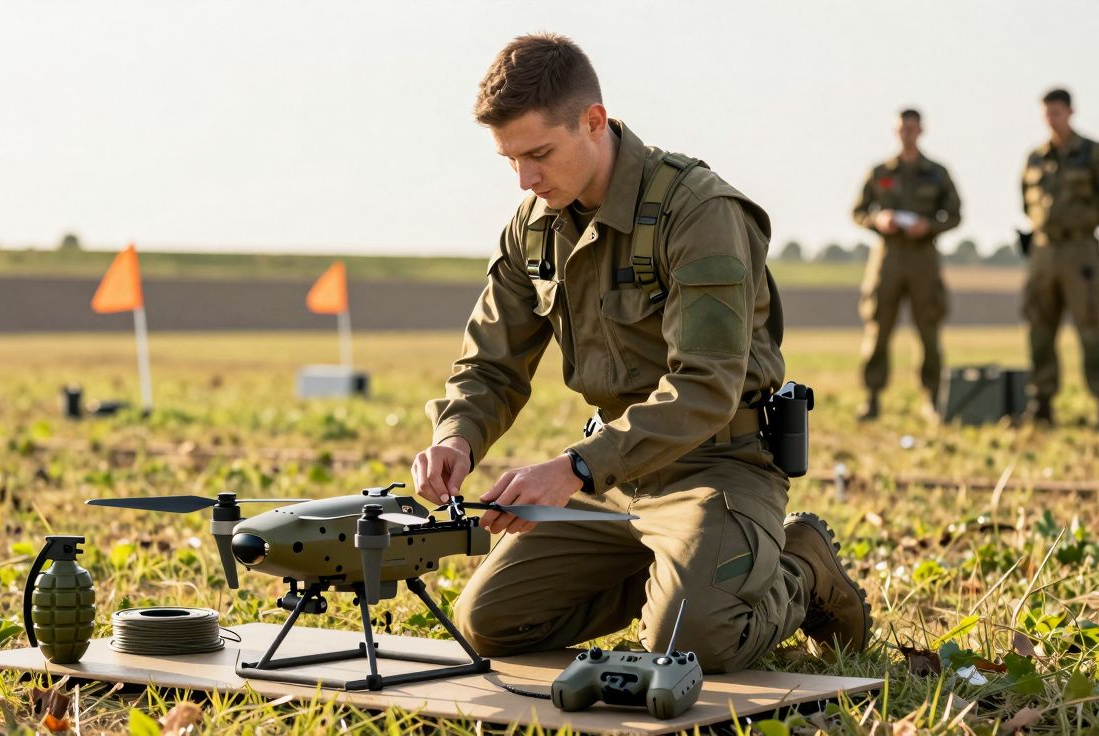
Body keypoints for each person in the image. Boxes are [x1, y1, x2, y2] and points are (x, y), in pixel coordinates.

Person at [411, 33, 869, 672]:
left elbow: (707, 386)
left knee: (692, 642)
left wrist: (573, 468)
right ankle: (679, 574)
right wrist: (456, 438)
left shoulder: (697, 211)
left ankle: (800, 569)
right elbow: (490, 364)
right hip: (615, 479)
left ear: (594, 122)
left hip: (720, 466)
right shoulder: (534, 224)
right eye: (509, 159)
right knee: (490, 624)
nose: (525, 178)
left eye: (539, 153)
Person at [852, 109, 962, 421]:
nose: (907, 134)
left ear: (921, 130)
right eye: (902, 129)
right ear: (896, 131)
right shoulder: (880, 171)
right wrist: (878, 220)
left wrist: (929, 226)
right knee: (878, 328)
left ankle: (932, 398)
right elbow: (858, 211)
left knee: (928, 329)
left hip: (923, 258)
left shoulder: (937, 173)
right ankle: (871, 399)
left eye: (912, 128)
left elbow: (954, 214)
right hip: (887, 257)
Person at [1020, 88, 1099, 425]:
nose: (1052, 118)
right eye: (1047, 112)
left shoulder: (1091, 153)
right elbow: (1025, 201)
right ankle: (1042, 402)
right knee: (1039, 326)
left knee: (1092, 327)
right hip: (1043, 250)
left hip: (1079, 248)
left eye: (1057, 111)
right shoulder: (1036, 158)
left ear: (1070, 112)